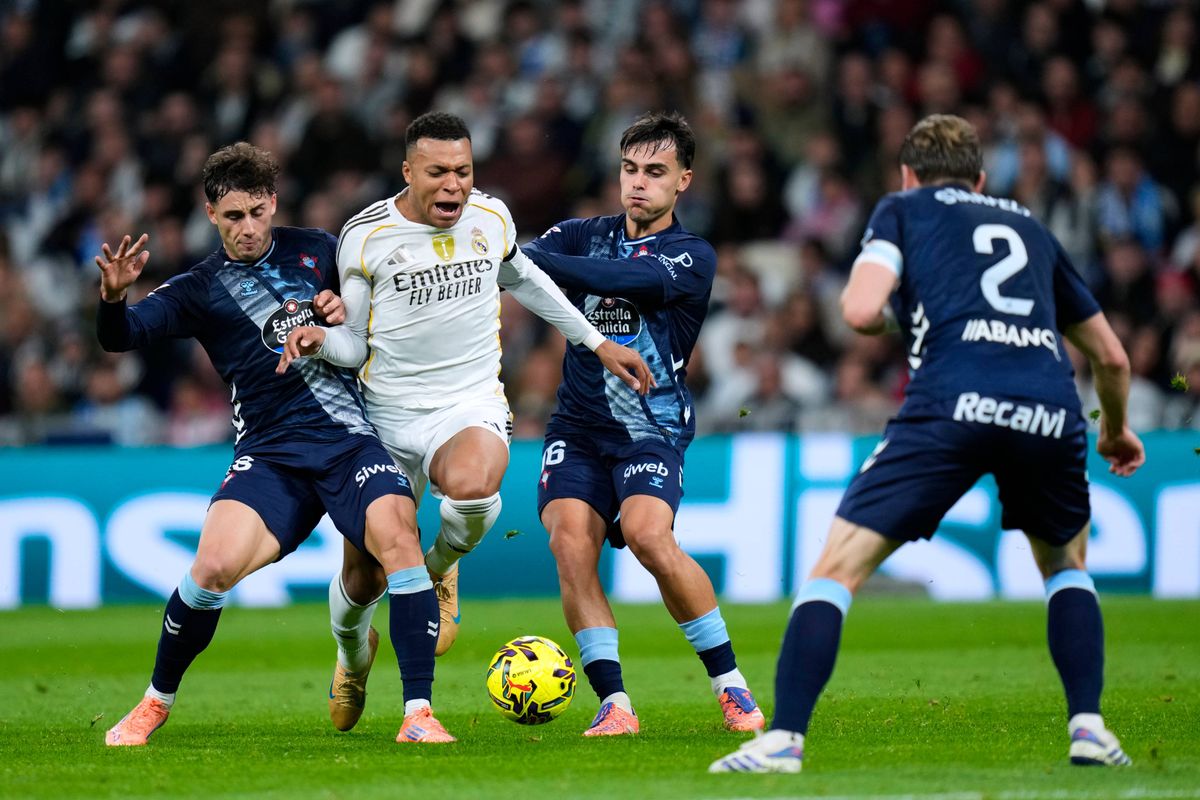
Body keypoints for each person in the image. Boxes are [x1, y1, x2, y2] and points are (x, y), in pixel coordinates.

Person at [710, 114, 1145, 773]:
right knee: (1064, 566)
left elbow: (858, 311)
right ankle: (1090, 728)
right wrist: (1114, 428)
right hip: (1049, 406)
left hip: (953, 399)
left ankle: (784, 740)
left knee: (838, 568)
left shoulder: (903, 209)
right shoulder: (1030, 226)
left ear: (908, 174)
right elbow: (1112, 359)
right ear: (979, 178)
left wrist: (901, 309)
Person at [275, 111, 652, 732]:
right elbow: (353, 348)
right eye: (438, 172)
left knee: (475, 486)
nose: (453, 185)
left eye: (464, 171)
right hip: (386, 414)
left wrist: (594, 342)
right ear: (408, 172)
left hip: (467, 400)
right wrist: (319, 341)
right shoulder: (366, 235)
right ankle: (351, 655)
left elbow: (526, 280)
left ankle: (441, 566)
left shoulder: (491, 218)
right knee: (363, 577)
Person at [98, 142, 455, 746]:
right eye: (233, 216)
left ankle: (418, 714)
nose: (247, 228)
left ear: (272, 204)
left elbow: (364, 319)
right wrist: (112, 298)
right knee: (210, 568)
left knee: (401, 545)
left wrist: (342, 308)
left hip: (349, 443)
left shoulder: (317, 248)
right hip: (271, 454)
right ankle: (154, 703)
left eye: (256, 212)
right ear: (211, 213)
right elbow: (121, 339)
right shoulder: (198, 288)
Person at [517, 111, 766, 737]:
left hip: (649, 429)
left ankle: (730, 686)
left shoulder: (692, 256)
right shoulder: (581, 232)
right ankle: (615, 703)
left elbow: (617, 278)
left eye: (655, 172)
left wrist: (532, 260)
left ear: (684, 180)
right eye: (630, 169)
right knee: (570, 544)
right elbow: (519, 270)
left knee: (652, 538)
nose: (638, 183)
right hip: (576, 427)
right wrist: (524, 258)